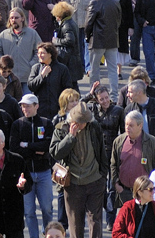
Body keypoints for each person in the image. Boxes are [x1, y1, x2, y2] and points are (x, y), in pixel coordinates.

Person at [50, 102, 108, 238]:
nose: (83, 125)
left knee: (95, 221)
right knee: (75, 223)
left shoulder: (94, 127)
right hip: (73, 184)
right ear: (72, 120)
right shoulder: (61, 129)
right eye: (80, 122)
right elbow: (55, 153)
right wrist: (71, 137)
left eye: (85, 122)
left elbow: (102, 152)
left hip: (94, 181)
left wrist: (103, 176)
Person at [10, 93, 54, 238]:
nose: (25, 109)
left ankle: (47, 232)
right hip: (26, 173)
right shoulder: (18, 124)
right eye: (23, 106)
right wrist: (36, 150)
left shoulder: (47, 123)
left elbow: (47, 146)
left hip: (44, 172)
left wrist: (27, 146)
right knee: (29, 211)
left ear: (37, 106)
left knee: (47, 208)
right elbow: (15, 149)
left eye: (28, 106)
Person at [84, 0, 122, 101]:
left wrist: (87, 36)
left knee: (95, 70)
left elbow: (89, 23)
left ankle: (95, 94)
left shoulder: (94, 2)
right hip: (112, 39)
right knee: (112, 69)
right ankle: (114, 96)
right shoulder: (115, 2)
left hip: (97, 41)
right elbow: (118, 21)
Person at [0, 9, 40, 95]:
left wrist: (32, 64)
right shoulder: (4, 35)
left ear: (22, 18)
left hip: (27, 77)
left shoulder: (32, 34)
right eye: (11, 18)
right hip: (9, 79)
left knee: (27, 105)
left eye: (16, 17)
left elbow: (39, 51)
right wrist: (3, 66)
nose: (13, 20)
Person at [27, 42, 72, 120]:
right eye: (38, 53)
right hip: (40, 110)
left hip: (57, 110)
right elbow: (31, 86)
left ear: (50, 54)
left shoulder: (62, 69)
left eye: (42, 53)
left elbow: (67, 89)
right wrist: (41, 75)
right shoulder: (36, 68)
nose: (39, 55)